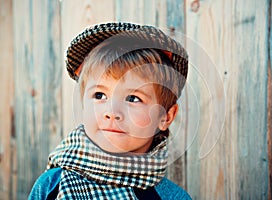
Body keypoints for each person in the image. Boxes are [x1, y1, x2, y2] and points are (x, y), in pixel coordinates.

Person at [29, 22, 191, 199]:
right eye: (99, 95)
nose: (112, 112)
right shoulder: (51, 186)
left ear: (166, 117)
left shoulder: (171, 197)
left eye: (133, 98)